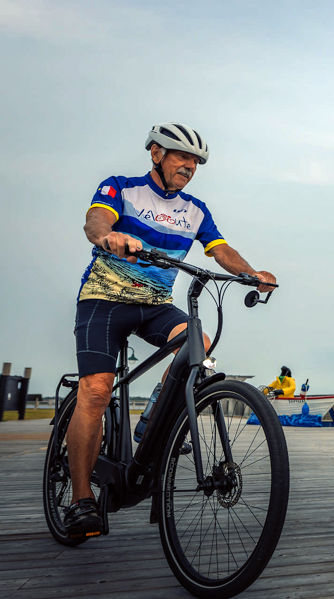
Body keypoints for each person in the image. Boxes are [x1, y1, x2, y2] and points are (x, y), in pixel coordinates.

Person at [64, 122, 277, 537]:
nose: (189, 166)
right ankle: (79, 499)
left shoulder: (195, 210)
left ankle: (154, 421)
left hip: (154, 306)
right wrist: (110, 238)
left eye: (195, 161)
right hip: (104, 300)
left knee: (198, 343)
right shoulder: (121, 188)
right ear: (157, 154)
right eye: (182, 156)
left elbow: (220, 249)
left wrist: (250, 272)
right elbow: (95, 222)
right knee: (96, 389)